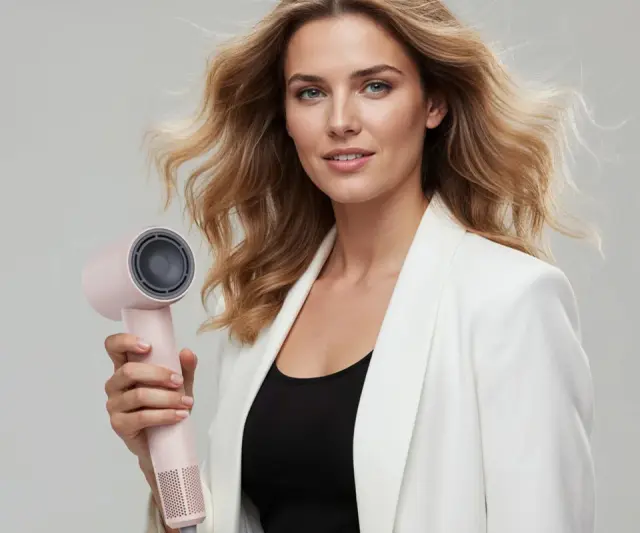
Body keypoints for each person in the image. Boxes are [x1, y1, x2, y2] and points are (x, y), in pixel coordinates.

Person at [103, 1, 598, 532]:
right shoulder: (264, 308)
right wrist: (162, 460)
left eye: (375, 86)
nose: (340, 121)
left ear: (433, 103)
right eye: (310, 93)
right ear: (286, 116)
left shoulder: (509, 299)